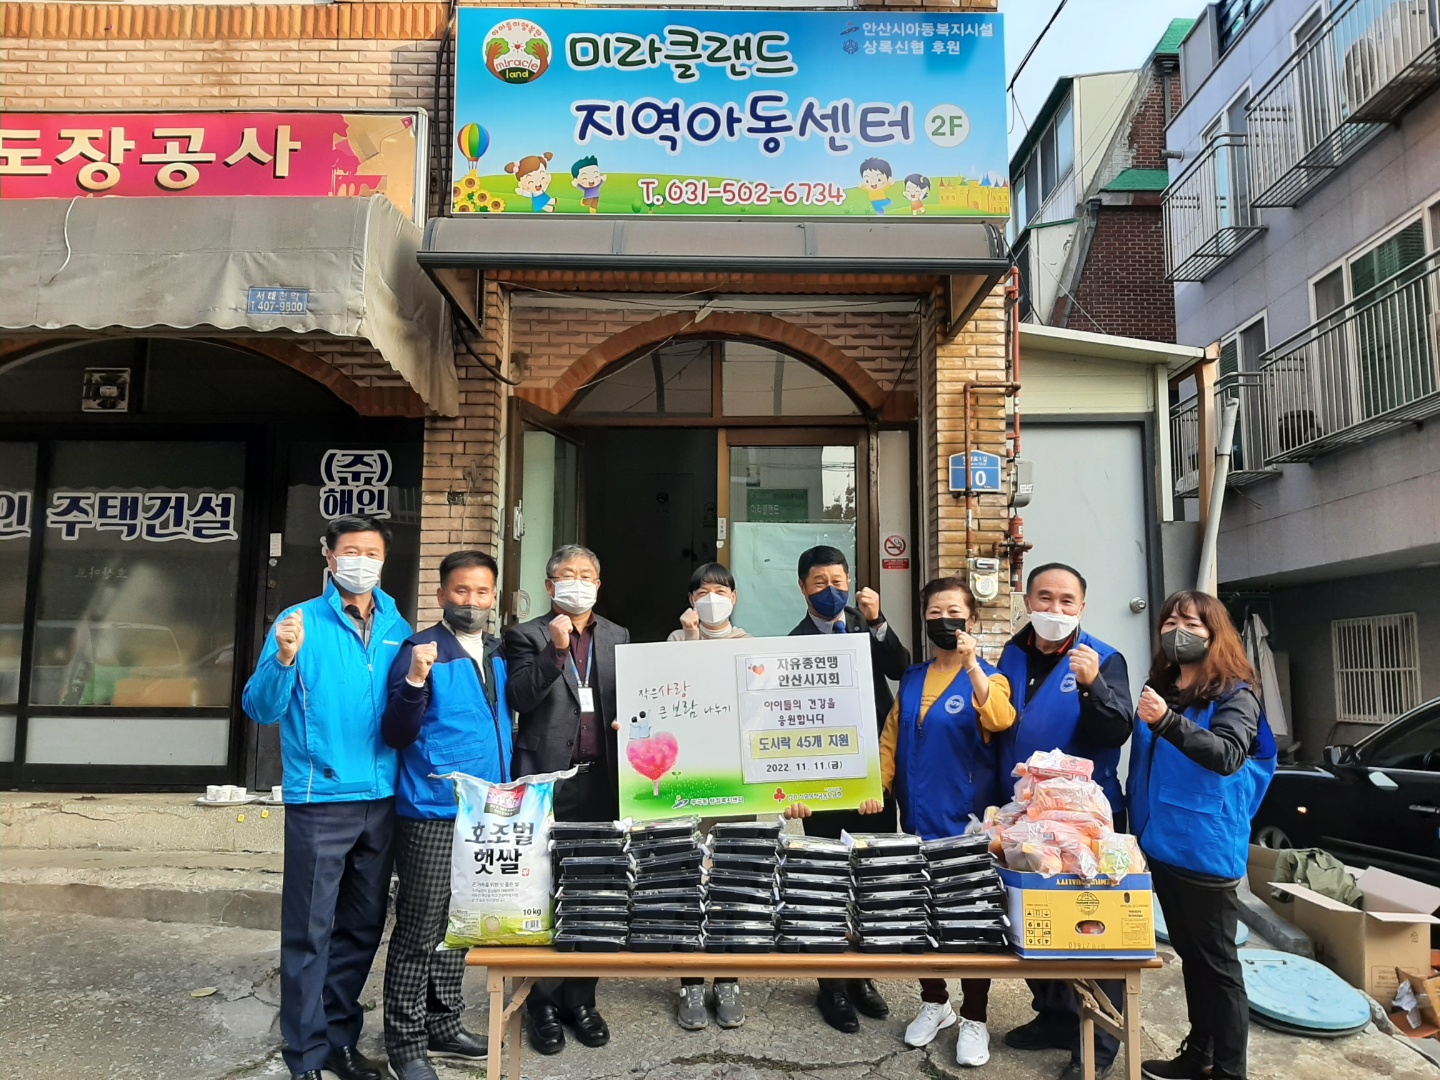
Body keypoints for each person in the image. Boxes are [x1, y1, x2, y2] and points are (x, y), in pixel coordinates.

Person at [241, 515, 409, 1080]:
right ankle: (306, 1056)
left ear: (384, 560)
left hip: (382, 796)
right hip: (321, 799)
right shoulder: (299, 622)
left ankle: (340, 1039)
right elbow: (261, 708)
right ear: (330, 558)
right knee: (310, 932)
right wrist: (284, 658)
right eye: (351, 551)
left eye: (373, 552)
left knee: (362, 926)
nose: (362, 561)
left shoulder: (395, 623)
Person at [860, 576, 1014, 1067]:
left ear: (971, 618)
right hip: (917, 817)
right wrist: (874, 787)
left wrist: (971, 665)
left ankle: (975, 1016)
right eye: (933, 613)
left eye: (953, 611)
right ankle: (935, 1002)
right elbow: (891, 740)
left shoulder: (990, 675)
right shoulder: (911, 678)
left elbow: (1000, 718)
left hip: (968, 822)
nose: (943, 620)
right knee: (921, 918)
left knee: (969, 924)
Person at [996, 562, 1133, 1080]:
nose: (1054, 610)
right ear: (1026, 600)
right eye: (1045, 599)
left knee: (1094, 931)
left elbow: (1115, 730)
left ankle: (1095, 1048)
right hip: (1027, 819)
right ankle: (1054, 1017)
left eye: (1066, 601)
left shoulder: (1102, 658)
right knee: (1036, 921)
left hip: (1085, 823)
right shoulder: (1012, 652)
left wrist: (1093, 684)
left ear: (1082, 607)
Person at [1130, 591, 1275, 1080]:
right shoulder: (1163, 685)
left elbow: (1229, 755)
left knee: (1218, 967)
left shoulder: (1237, 693)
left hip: (1206, 847)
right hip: (1162, 843)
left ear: (1215, 634)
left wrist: (1166, 722)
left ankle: (1229, 1072)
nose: (1177, 630)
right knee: (1192, 958)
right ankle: (1199, 1055)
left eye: (1190, 622)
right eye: (1169, 621)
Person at [380, 550, 510, 1080]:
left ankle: (444, 1022)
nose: (471, 602)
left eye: (481, 593)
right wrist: (414, 681)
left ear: (493, 597)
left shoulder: (499, 653)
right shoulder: (419, 649)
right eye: (461, 591)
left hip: (485, 810)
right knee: (419, 928)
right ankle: (406, 1045)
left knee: (460, 925)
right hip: (431, 810)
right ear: (441, 595)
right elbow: (396, 732)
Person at [504, 545, 629, 1055]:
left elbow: (636, 697)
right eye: (566, 575)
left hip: (604, 780)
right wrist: (555, 653)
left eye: (587, 575)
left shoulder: (618, 635)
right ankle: (542, 1004)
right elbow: (519, 698)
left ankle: (583, 998)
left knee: (595, 890)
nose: (578, 582)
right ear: (551, 586)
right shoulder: (525, 634)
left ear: (598, 584)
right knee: (546, 886)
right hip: (547, 777)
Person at [782, 545, 911, 1033]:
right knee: (825, 880)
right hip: (821, 784)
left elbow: (899, 667)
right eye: (820, 583)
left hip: (871, 777)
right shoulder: (791, 644)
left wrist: (879, 622)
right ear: (803, 588)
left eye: (838, 580)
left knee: (870, 875)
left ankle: (862, 976)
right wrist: (794, 790)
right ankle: (830, 985)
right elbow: (785, 725)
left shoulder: (862, 625)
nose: (831, 590)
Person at [666, 563, 752, 1031]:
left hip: (737, 782)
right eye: (703, 590)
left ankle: (729, 978)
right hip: (686, 782)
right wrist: (692, 638)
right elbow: (684, 699)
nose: (712, 597)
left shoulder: (750, 646)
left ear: (734, 599)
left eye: (721, 590)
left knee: (731, 880)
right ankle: (690, 981)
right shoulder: (676, 643)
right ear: (691, 599)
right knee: (687, 877)